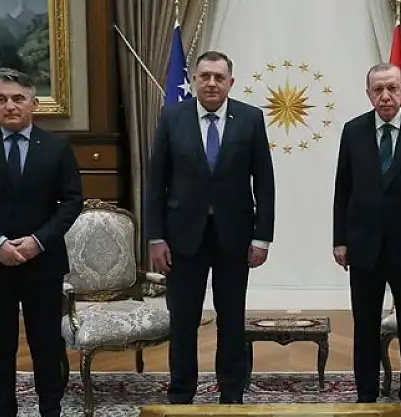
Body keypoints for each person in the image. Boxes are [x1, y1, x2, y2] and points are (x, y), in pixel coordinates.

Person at [0, 68, 83, 417]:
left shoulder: (56, 148)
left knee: (47, 346)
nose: (10, 105)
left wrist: (38, 242)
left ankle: (50, 409)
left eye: (18, 98)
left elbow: (72, 202)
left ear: (33, 104)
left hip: (43, 264)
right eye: (2, 99)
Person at [146, 50, 275, 405]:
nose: (212, 83)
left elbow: (264, 182)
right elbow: (156, 183)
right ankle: (181, 395)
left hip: (235, 237)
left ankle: (231, 394)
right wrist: (156, 237)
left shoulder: (250, 118)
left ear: (231, 82)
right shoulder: (172, 117)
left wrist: (262, 237)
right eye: (205, 76)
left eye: (219, 77)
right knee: (183, 320)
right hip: (182, 238)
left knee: (231, 320)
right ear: (194, 80)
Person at [332, 62, 401, 417]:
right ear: (368, 94)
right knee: (365, 325)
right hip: (364, 246)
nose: (385, 95)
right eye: (378, 89)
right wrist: (339, 240)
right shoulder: (353, 131)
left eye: (392, 88)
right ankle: (366, 393)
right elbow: (343, 189)